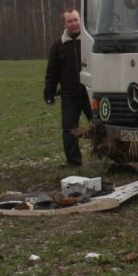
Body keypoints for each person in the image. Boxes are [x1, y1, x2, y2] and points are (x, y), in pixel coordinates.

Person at [44, 9, 92, 167]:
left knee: (100, 126)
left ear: (81, 20)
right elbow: (52, 72)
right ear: (65, 24)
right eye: (70, 21)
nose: (74, 23)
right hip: (69, 95)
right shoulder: (58, 47)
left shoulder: (89, 41)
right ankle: (74, 161)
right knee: (69, 130)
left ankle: (111, 156)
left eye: (76, 20)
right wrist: (49, 93)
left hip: (90, 92)